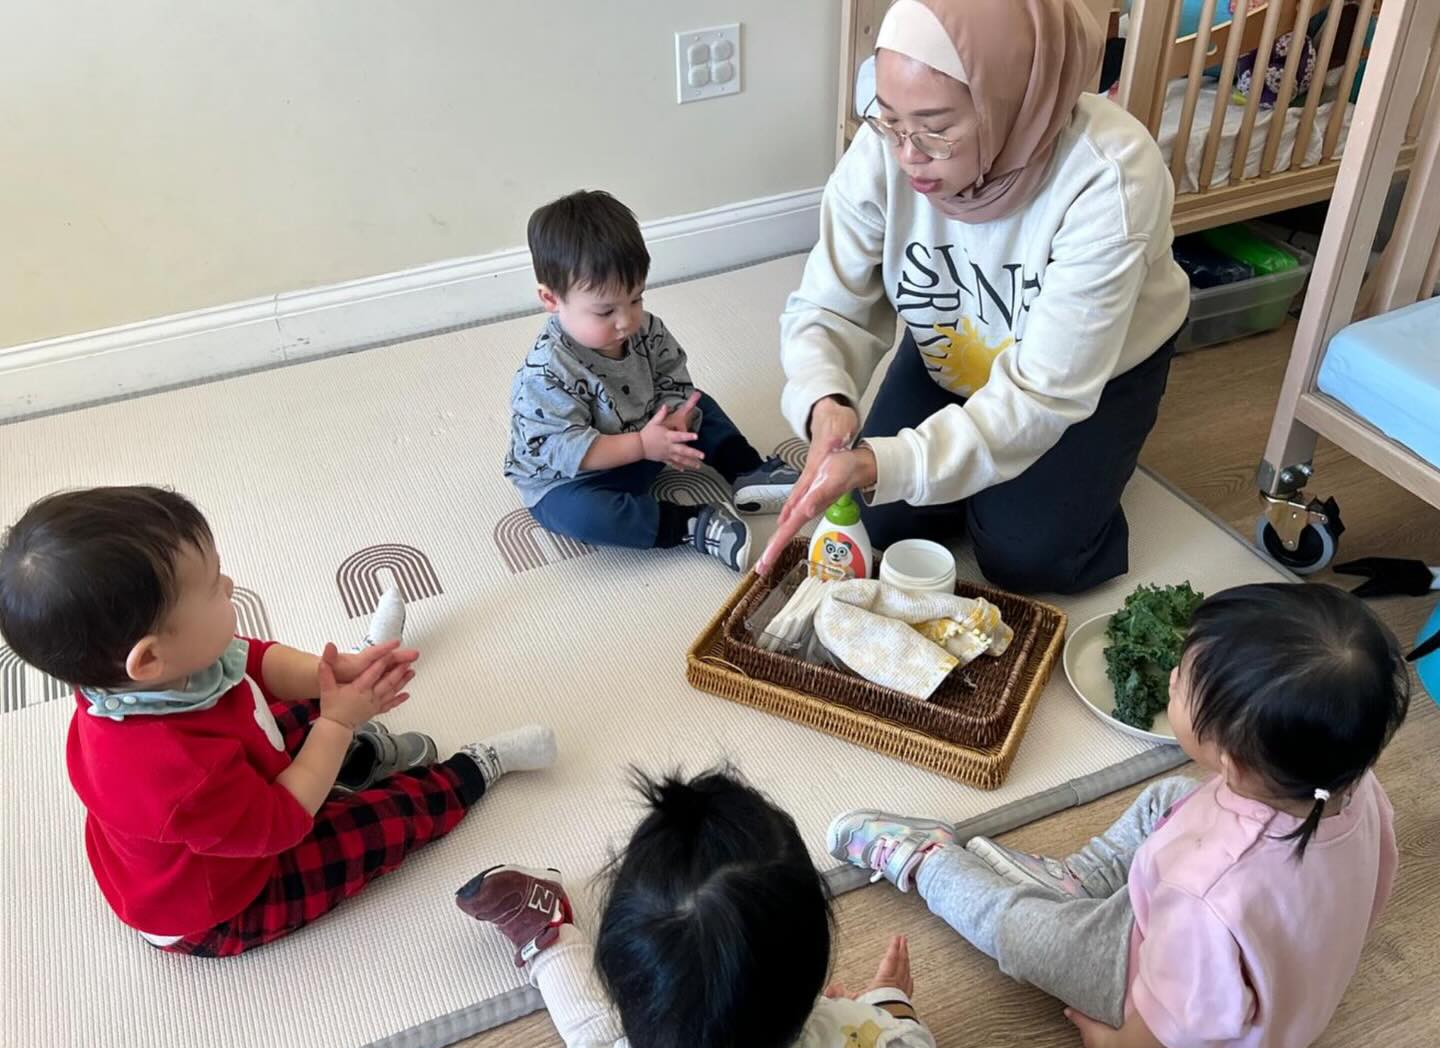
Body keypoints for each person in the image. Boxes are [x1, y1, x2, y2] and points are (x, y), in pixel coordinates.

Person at [828, 583, 1407, 1048]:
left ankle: (923, 859)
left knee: (1020, 932)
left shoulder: (1206, 898)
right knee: (1171, 797)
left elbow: (1178, 1023)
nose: (1174, 676)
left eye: (1183, 684)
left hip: (1161, 990)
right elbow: (1374, 886)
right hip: (1228, 941)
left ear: (1230, 761)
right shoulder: (1348, 784)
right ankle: (1074, 882)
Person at [0, 486, 555, 957]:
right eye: (213, 584)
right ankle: (476, 767)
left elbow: (252, 659)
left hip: (228, 802)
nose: (230, 585)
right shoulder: (173, 773)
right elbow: (283, 821)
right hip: (223, 901)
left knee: (283, 706)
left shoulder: (148, 677)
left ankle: (357, 746)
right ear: (148, 658)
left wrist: (332, 673)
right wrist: (335, 723)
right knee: (378, 825)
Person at [761, 0, 1191, 594]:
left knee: (1025, 557)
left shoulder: (1110, 174)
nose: (909, 154)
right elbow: (827, 305)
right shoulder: (885, 150)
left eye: (936, 129)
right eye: (888, 120)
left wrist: (893, 460)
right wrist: (826, 402)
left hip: (1092, 374)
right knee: (882, 513)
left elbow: (1044, 391)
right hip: (956, 342)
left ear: (1010, 101)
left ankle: (1103, 456)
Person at [458, 768, 959, 1048]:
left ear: (620, 983)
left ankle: (551, 940)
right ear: (813, 971)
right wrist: (890, 1009)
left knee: (596, 1044)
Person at [505, 190, 800, 572]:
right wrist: (644, 444)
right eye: (605, 310)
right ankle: (691, 525)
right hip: (575, 478)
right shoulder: (545, 372)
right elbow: (569, 450)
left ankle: (745, 470)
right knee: (579, 516)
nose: (626, 320)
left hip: (651, 437)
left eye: (636, 299)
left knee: (699, 403)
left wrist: (676, 415)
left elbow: (672, 378)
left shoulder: (646, 331)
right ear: (551, 298)